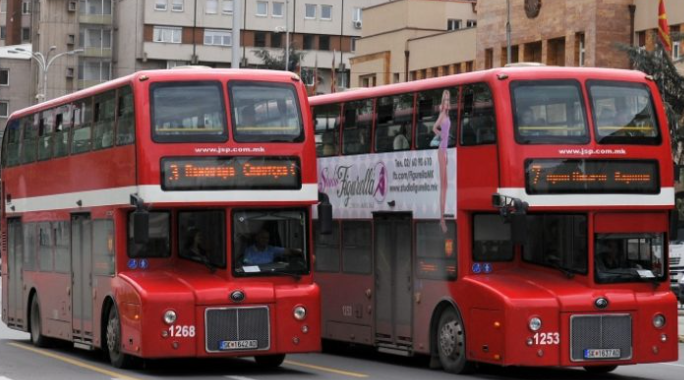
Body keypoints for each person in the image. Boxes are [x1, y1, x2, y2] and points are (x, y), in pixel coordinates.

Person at [432, 90, 451, 233]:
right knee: (443, 186)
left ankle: (442, 218)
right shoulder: (442, 115)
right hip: (441, 149)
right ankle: (442, 219)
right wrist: (442, 136)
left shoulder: (447, 116)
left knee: (445, 185)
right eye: (445, 101)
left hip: (445, 150)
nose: (447, 103)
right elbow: (434, 128)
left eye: (448, 101)